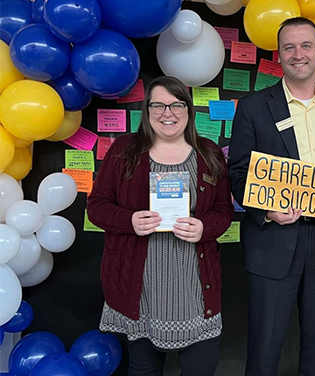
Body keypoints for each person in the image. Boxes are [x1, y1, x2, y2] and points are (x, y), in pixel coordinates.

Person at [228, 17, 315, 376]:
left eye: (305, 46)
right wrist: (267, 211)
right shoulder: (253, 107)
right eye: (289, 47)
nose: (298, 54)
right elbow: (238, 174)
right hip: (274, 241)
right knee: (265, 349)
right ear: (279, 55)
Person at [87, 76, 233, 376]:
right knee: (143, 369)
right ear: (147, 110)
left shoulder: (209, 153)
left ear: (188, 110)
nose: (168, 113)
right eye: (159, 105)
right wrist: (129, 221)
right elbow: (96, 208)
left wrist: (204, 228)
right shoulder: (124, 150)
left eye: (176, 104)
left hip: (195, 291)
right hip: (140, 291)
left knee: (201, 369)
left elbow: (223, 211)